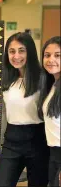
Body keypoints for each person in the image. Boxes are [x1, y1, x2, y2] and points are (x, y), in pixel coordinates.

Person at [0, 32, 49, 187]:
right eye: (12, 51)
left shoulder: (43, 79)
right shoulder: (5, 79)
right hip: (12, 140)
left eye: (21, 50)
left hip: (38, 139)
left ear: (30, 52)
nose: (16, 56)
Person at [38, 36, 61, 187]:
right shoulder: (52, 84)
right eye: (47, 55)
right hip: (54, 153)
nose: (51, 59)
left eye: (57, 55)